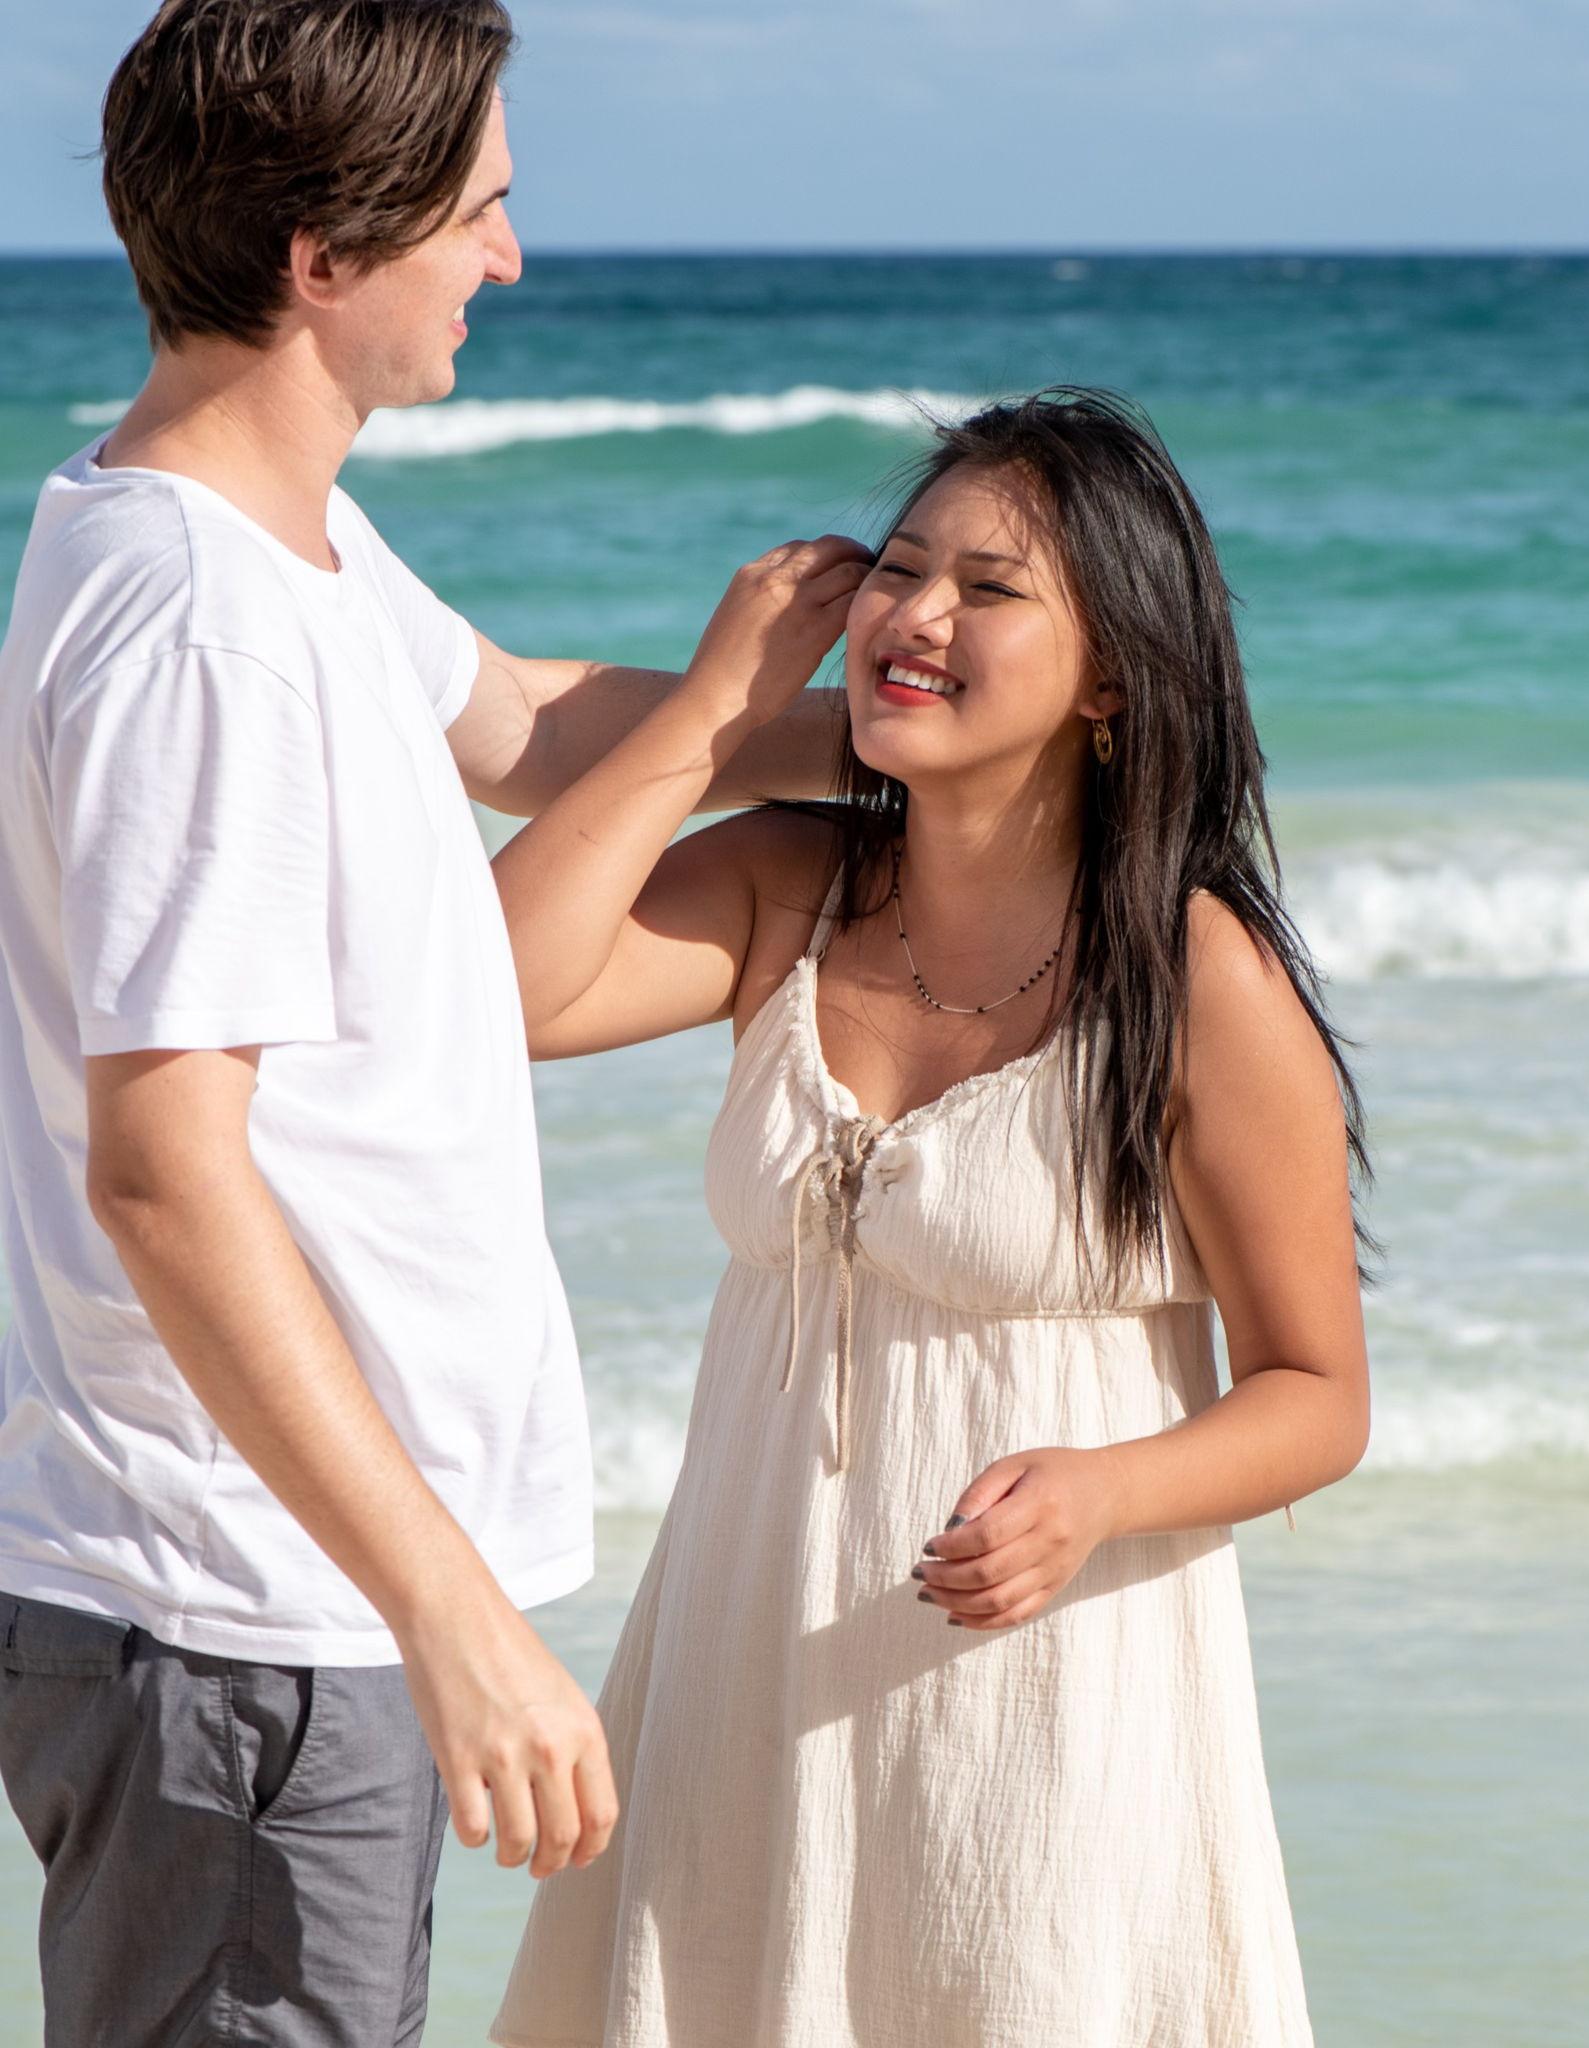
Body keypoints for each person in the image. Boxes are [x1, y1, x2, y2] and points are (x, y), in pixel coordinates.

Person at [0, 5, 850, 2041]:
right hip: (243, 1622)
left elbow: (530, 727)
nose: (509, 259)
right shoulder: (203, 632)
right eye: (477, 213)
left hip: (263, 1616)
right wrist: (447, 1610)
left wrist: (909, 739)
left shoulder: (270, 545)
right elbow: (164, 1171)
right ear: (323, 257)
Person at [484, 389, 1373, 2046]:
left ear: (1112, 677)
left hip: (1037, 1713)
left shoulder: (1196, 984)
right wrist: (708, 713)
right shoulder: (782, 888)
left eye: (991, 587)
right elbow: (485, 995)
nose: (918, 615)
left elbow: (1320, 1395)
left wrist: (1105, 1491)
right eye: (900, 568)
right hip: (744, 1672)